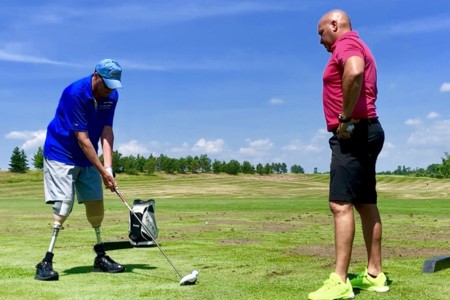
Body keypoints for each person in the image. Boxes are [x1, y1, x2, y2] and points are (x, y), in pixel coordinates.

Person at [308, 10, 389, 300]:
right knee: (365, 203)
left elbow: (354, 71)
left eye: (321, 33)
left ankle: (340, 281)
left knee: (340, 204)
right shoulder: (358, 43)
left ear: (334, 25)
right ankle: (375, 274)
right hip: (369, 130)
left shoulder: (346, 43)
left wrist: (344, 119)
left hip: (353, 133)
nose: (320, 41)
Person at [35, 59, 125, 281]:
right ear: (95, 76)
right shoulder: (74, 93)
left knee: (96, 205)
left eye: (113, 86)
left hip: (87, 157)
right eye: (106, 84)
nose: (109, 91)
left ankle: (100, 257)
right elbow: (83, 139)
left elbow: (106, 133)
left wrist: (109, 168)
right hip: (61, 153)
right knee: (64, 205)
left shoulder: (111, 95)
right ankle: (45, 262)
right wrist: (102, 171)